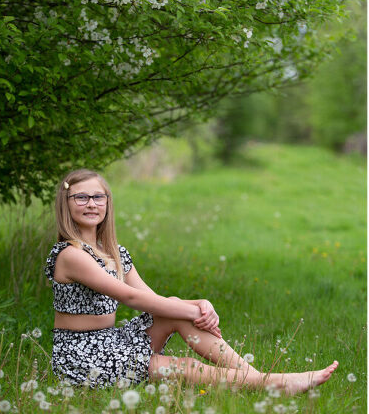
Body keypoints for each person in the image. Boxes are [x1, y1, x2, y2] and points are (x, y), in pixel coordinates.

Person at [46, 168, 339, 394]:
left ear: (108, 203)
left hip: (111, 341)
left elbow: (153, 300)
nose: (91, 204)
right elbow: (131, 299)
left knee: (174, 308)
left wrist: (199, 305)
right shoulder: (71, 255)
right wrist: (193, 311)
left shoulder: (114, 252)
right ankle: (269, 383)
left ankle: (259, 379)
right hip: (82, 356)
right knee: (183, 366)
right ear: (66, 204)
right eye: (81, 197)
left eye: (98, 197)